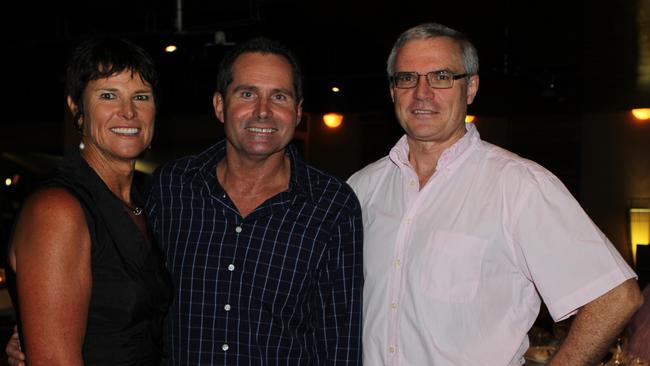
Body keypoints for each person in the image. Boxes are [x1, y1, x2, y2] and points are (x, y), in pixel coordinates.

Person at [6, 37, 362, 366]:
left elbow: (339, 344)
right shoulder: (170, 188)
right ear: (220, 106)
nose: (263, 111)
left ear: (299, 112)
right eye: (247, 94)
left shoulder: (332, 206)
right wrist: (43, 332)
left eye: (279, 96)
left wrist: (43, 325)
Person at [346, 22, 644, 366]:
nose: (422, 92)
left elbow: (616, 296)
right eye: (407, 78)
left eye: (441, 76)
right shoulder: (361, 188)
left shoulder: (519, 186)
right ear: (393, 91)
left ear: (470, 87)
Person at [5, 38, 173, 365]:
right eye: (108, 95)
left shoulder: (144, 202)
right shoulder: (57, 210)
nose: (128, 112)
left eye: (141, 97)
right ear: (76, 109)